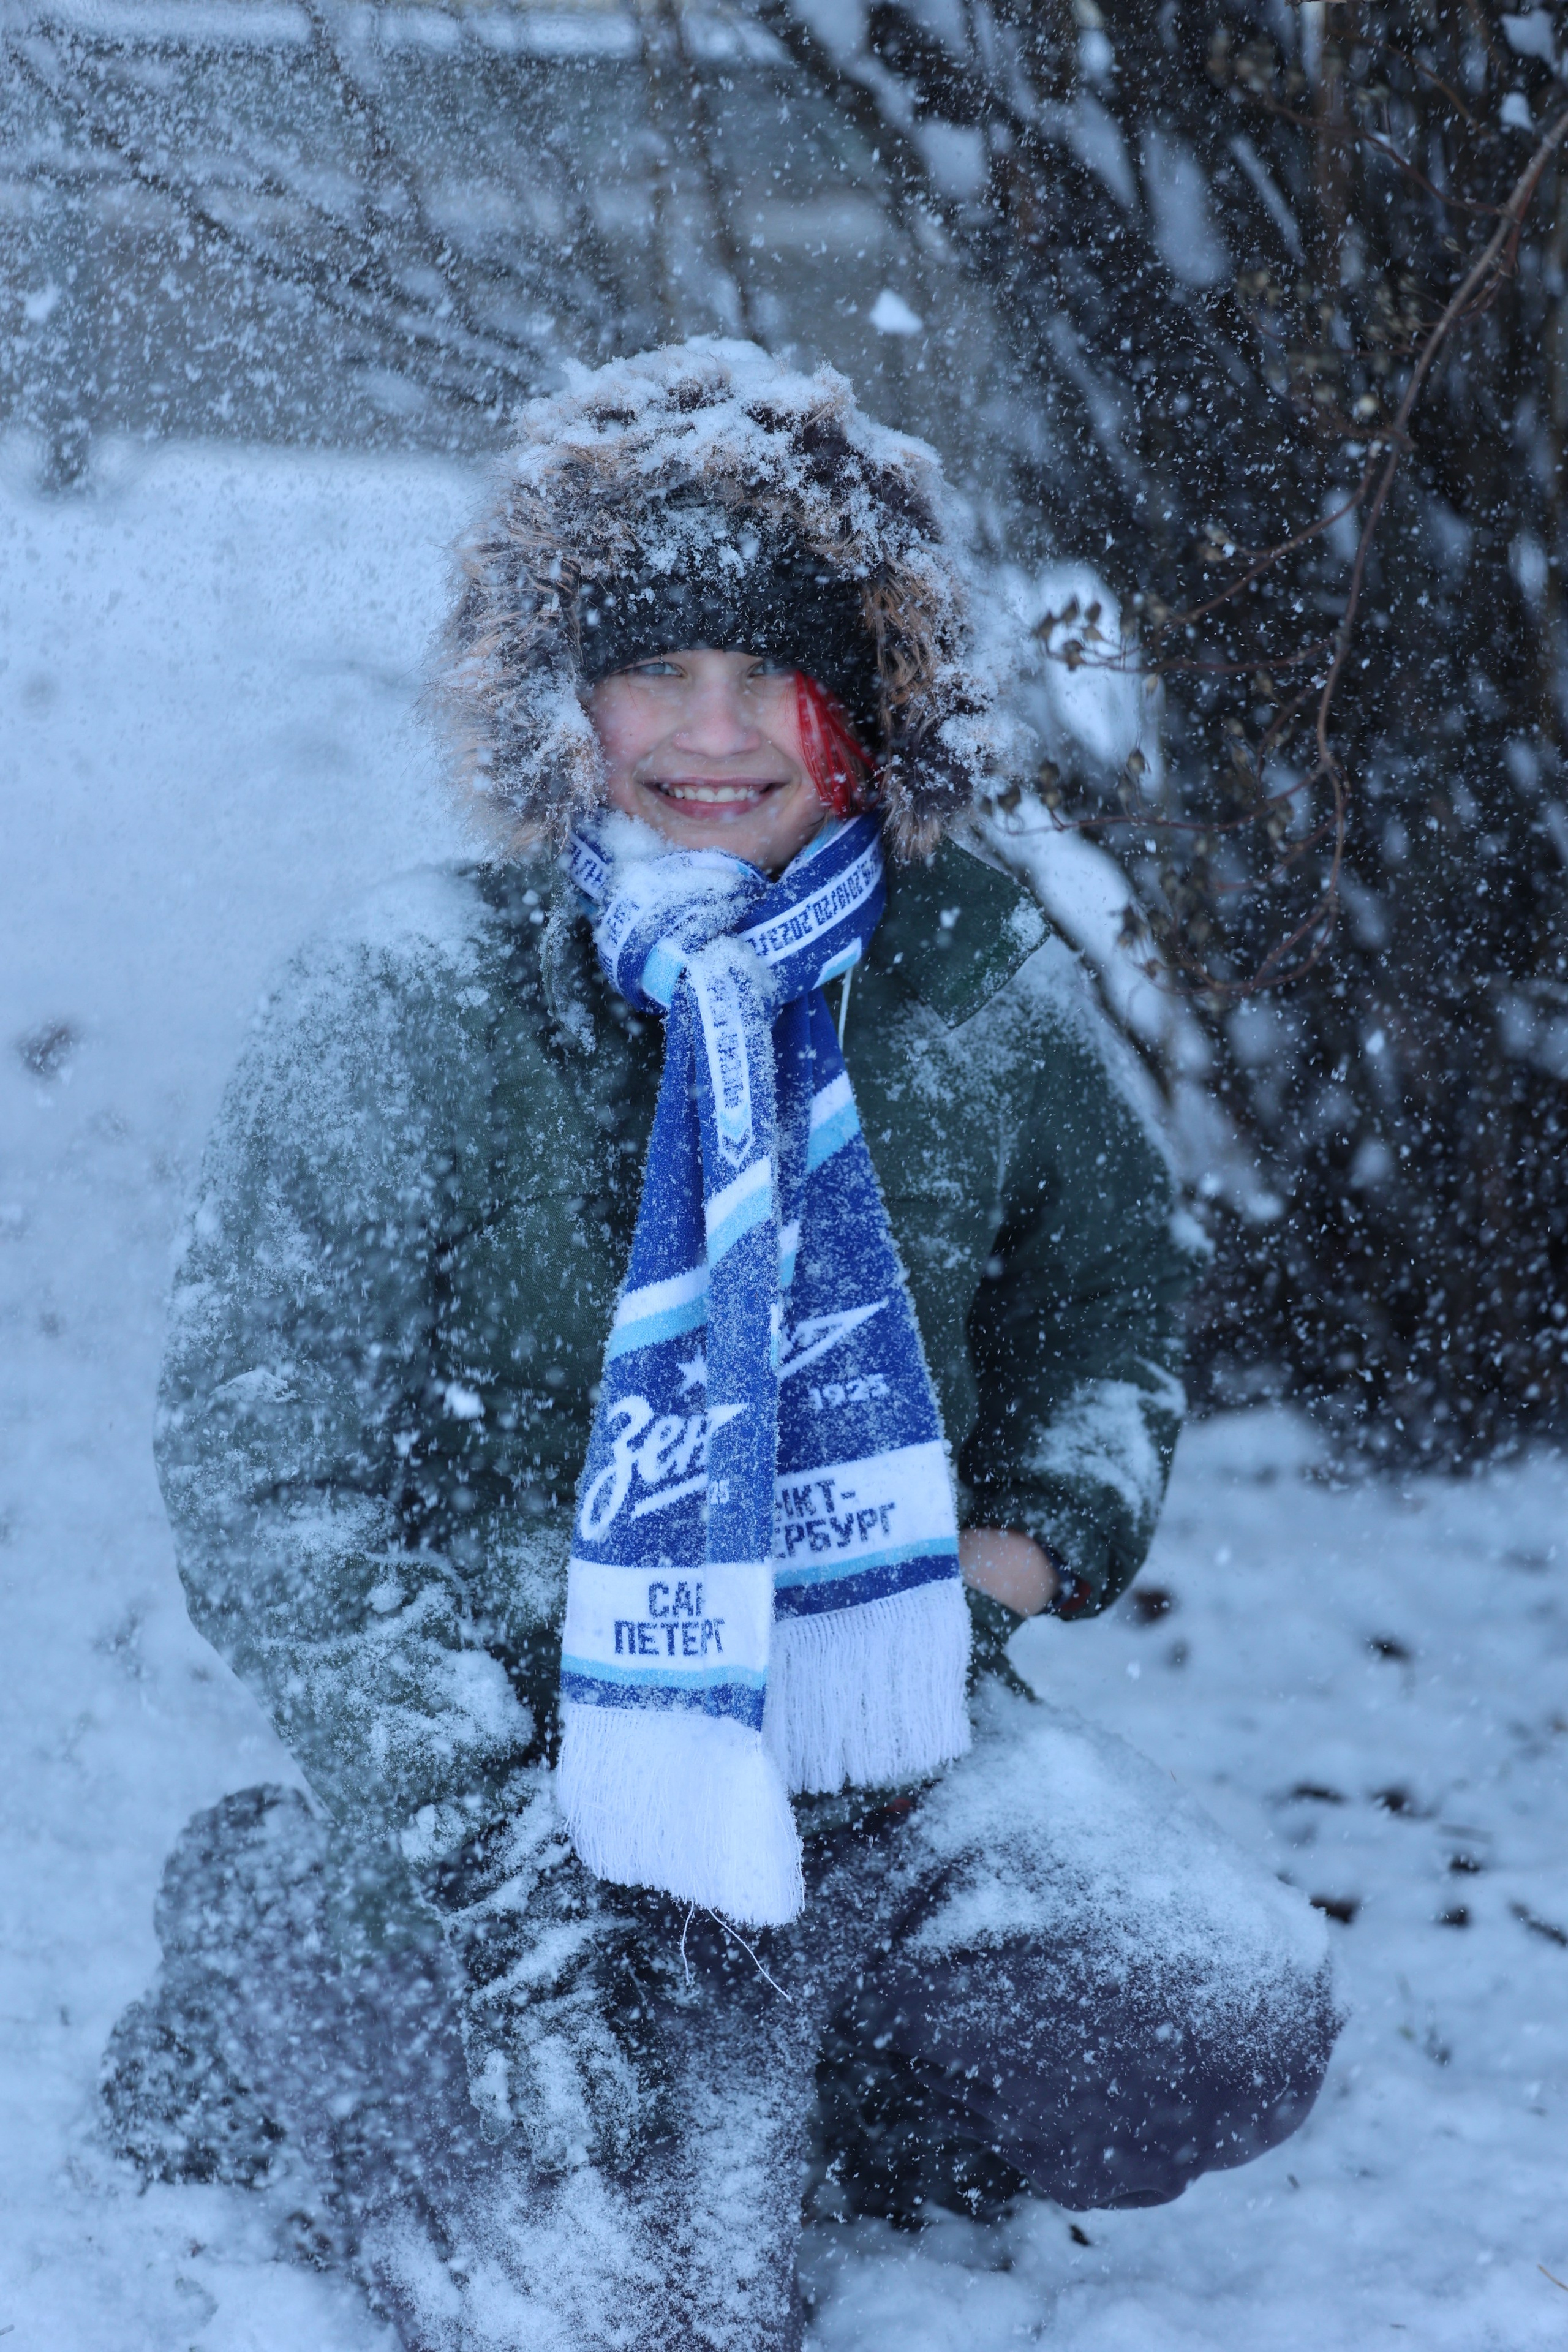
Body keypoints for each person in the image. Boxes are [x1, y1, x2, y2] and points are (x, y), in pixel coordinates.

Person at [104, 341, 1337, 2351]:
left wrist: (1018, 1550)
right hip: (526, 1785)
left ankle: (793, 2064)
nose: (716, 733)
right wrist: (477, 1858)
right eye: (653, 671)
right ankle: (286, 1929)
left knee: (1225, 2020)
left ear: (866, 711)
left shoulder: (965, 983)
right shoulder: (409, 1004)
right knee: (645, 2327)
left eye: (776, 674)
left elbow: (1114, 1295)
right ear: (561, 702)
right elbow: (269, 1476)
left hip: (867, 1748)